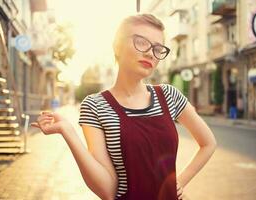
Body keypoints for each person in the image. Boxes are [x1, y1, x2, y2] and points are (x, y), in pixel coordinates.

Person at [31, 13, 217, 200]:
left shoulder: (169, 96)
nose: (150, 53)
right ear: (117, 46)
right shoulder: (95, 106)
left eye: (157, 48)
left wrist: (180, 182)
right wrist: (68, 132)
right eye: (141, 42)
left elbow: (208, 143)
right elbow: (107, 191)